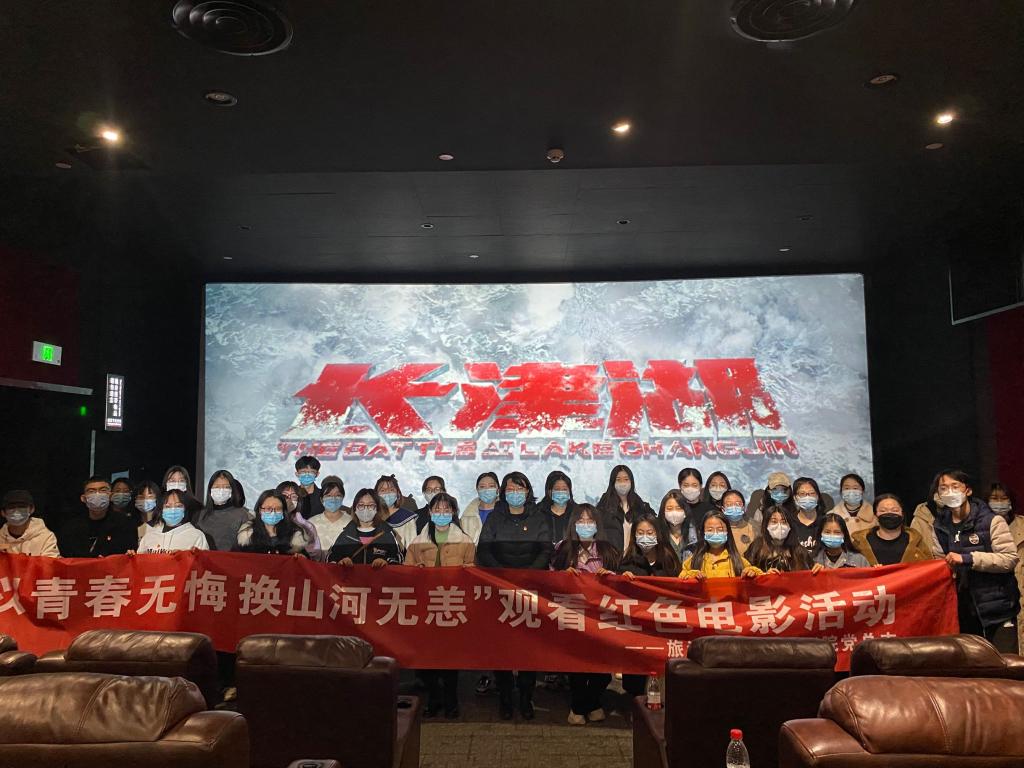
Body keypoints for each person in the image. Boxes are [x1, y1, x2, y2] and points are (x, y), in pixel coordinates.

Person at [476, 471, 552, 720]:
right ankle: (506, 698)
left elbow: (545, 550)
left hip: (531, 590)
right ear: (503, 492)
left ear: (528, 492)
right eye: (510, 489)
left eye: (520, 489)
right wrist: (503, 577)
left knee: (529, 647)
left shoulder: (539, 517)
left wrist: (527, 577)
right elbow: (484, 549)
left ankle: (526, 697)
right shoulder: (495, 517)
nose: (515, 493)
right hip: (501, 590)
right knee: (502, 647)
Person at [404, 492, 475, 719]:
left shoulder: (465, 540)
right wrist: (415, 571)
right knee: (427, 656)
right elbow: (406, 571)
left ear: (453, 512)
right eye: (437, 509)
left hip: (451, 603)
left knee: (450, 656)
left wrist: (466, 571)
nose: (441, 513)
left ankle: (451, 702)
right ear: (430, 512)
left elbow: (473, 569)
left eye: (446, 509)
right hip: (425, 605)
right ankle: (434, 699)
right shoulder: (418, 541)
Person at [925, 470, 1019, 640]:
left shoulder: (992, 521)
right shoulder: (939, 527)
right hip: (963, 610)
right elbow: (940, 564)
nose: (950, 492)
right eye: (944, 488)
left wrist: (967, 559)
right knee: (972, 657)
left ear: (967, 490)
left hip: (998, 608)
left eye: (955, 486)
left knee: (1003, 657)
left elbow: (1009, 558)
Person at [549, 503, 617, 725]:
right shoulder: (563, 548)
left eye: (590, 521)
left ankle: (590, 702)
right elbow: (549, 579)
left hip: (601, 616)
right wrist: (562, 575)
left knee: (603, 668)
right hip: (573, 614)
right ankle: (579, 708)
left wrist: (610, 576)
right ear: (573, 524)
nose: (585, 525)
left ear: (597, 525)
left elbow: (620, 583)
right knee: (578, 664)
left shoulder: (608, 550)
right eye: (581, 521)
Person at [617, 514, 682, 700]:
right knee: (635, 676)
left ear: (658, 534)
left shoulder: (669, 561)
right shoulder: (627, 562)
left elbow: (680, 591)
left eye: (650, 532)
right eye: (640, 533)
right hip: (637, 626)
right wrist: (622, 580)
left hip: (663, 624)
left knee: (661, 670)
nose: (645, 537)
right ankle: (635, 703)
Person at [58, 476, 137, 557]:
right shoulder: (71, 527)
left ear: (110, 496)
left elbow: (130, 552)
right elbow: (64, 556)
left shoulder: (126, 524)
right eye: (91, 491)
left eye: (103, 490)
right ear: (83, 498)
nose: (97, 494)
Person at [327, 488, 403, 566]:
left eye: (371, 505)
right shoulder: (346, 535)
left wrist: (386, 561)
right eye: (361, 505)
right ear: (355, 509)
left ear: (377, 509)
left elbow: (399, 558)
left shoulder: (387, 533)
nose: (366, 509)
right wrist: (341, 561)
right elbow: (330, 558)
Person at [851, 493, 933, 566]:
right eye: (883, 510)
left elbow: (928, 569)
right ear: (875, 516)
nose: (889, 513)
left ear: (902, 514)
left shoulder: (916, 542)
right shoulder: (860, 544)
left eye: (895, 510)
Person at [988, 483, 1022, 652]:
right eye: (994, 498)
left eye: (1004, 498)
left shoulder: (1021, 527)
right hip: (995, 600)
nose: (999, 503)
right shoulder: (980, 528)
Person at [679, 511, 763, 579]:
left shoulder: (738, 560)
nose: (715, 533)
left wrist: (753, 572)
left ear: (727, 532)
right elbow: (680, 581)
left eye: (720, 529)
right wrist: (689, 576)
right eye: (710, 530)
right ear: (703, 533)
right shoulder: (694, 560)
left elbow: (760, 579)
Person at [596, 464, 655, 553]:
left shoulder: (641, 507)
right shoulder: (603, 508)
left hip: (635, 557)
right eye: (618, 480)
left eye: (626, 479)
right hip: (611, 557)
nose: (622, 483)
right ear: (613, 483)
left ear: (631, 482)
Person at [745, 505, 816, 573]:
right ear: (765, 525)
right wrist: (764, 575)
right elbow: (746, 571)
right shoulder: (757, 547)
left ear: (790, 525)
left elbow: (811, 570)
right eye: (774, 521)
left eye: (783, 522)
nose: (779, 525)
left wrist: (817, 569)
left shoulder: (798, 549)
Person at [194, 470, 251, 551]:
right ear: (210, 490)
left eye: (226, 487)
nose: (221, 490)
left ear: (232, 490)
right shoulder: (200, 515)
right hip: (203, 558)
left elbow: (246, 546)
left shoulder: (242, 515)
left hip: (229, 558)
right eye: (217, 487)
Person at [236, 490, 307, 555]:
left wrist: (301, 557)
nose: (273, 512)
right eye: (268, 508)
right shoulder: (247, 535)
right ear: (260, 510)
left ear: (283, 511)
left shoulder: (295, 535)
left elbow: (305, 560)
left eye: (278, 509)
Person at [138, 490, 210, 553]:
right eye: (167, 506)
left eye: (178, 506)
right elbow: (140, 560)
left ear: (185, 509)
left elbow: (204, 561)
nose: (173, 510)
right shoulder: (150, 536)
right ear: (161, 510)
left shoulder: (196, 536)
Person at [0, 489, 59, 556]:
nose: (17, 512)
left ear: (31, 509)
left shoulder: (46, 537)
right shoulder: (1, 538)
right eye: (11, 507)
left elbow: (50, 561)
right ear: (3, 512)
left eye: (22, 506)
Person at [277, 481, 322, 560]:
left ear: (298, 501)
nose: (289, 500)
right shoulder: (268, 520)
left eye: (293, 496)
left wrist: (305, 557)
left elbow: (315, 555)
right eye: (284, 496)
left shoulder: (307, 526)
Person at [375, 474, 419, 551]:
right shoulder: (370, 516)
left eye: (391, 490)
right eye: (382, 491)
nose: (387, 493)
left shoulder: (407, 518)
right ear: (376, 495)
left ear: (398, 493)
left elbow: (412, 550)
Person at [308, 475, 350, 552]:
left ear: (343, 497)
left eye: (338, 495)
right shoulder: (311, 523)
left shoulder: (351, 521)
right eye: (328, 495)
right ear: (321, 499)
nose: (333, 499)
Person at [538, 470, 578, 545]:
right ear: (549, 491)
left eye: (564, 489)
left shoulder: (578, 512)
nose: (561, 492)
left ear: (569, 491)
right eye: (557, 489)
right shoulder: (538, 512)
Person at [789, 476, 827, 554]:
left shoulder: (826, 521)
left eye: (812, 493)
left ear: (818, 496)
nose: (807, 497)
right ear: (795, 498)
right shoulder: (789, 522)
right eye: (802, 494)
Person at [659, 490, 697, 562]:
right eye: (669, 508)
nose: (674, 512)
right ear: (663, 512)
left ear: (685, 511)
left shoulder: (695, 537)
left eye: (678, 508)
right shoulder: (658, 536)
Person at [461, 471, 498, 546]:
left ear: (498, 489)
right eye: (482, 487)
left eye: (491, 486)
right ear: (477, 490)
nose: (487, 490)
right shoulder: (466, 517)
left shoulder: (507, 512)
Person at [721, 489, 757, 557]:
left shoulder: (753, 527)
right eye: (729, 504)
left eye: (738, 504)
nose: (734, 507)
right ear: (723, 509)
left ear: (743, 508)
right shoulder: (717, 528)